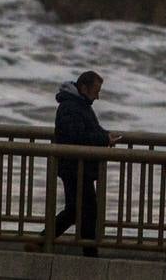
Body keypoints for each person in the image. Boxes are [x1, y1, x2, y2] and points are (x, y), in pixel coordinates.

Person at [40, 70, 121, 256]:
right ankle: (86, 253)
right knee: (83, 211)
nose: (98, 96)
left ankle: (47, 242)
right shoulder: (70, 107)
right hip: (74, 168)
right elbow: (78, 136)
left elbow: (91, 130)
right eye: (96, 91)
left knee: (80, 211)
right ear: (83, 87)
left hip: (79, 168)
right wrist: (103, 139)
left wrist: (106, 136)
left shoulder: (81, 104)